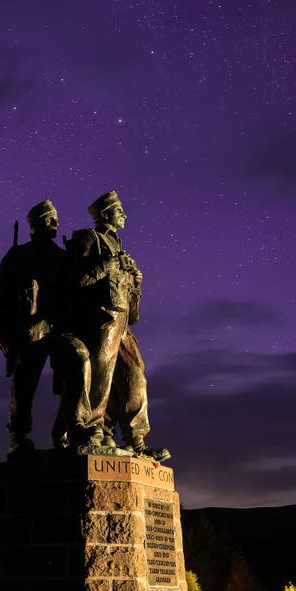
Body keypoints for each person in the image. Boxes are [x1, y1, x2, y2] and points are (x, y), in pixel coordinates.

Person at [64, 191, 169, 461]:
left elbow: (133, 309)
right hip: (100, 318)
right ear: (105, 213)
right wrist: (107, 265)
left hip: (122, 322)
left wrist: (136, 280)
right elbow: (73, 279)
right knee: (100, 372)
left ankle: (137, 439)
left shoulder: (121, 247)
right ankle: (92, 429)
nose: (124, 215)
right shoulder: (87, 238)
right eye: (119, 210)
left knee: (135, 373)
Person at [0, 200, 73, 454]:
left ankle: (64, 432)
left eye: (56, 219)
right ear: (36, 225)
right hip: (30, 330)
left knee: (75, 375)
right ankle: (18, 434)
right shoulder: (18, 256)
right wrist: (4, 337)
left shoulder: (64, 257)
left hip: (59, 328)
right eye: (50, 219)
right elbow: (1, 301)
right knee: (24, 384)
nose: (56, 224)